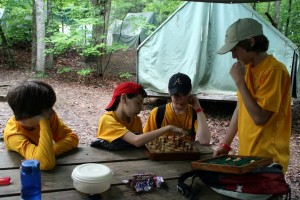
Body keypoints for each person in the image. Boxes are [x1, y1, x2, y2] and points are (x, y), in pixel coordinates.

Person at [214, 18, 291, 174]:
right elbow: (241, 107)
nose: (233, 56)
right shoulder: (247, 67)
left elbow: (260, 118)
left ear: (250, 42)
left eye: (235, 49)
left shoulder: (275, 71)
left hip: (268, 160)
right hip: (247, 155)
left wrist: (240, 82)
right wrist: (225, 145)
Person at [4, 81, 79, 170]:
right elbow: (45, 163)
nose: (53, 112)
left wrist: (49, 152)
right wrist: (44, 123)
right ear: (28, 114)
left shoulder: (48, 116)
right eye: (47, 110)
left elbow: (72, 138)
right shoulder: (13, 135)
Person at [91, 82, 187, 151]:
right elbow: (136, 141)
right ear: (124, 98)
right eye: (138, 103)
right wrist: (168, 128)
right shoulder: (107, 119)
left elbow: (141, 144)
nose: (141, 109)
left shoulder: (136, 120)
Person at [143, 72, 211, 145]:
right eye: (176, 95)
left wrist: (198, 109)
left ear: (190, 91)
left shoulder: (195, 113)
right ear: (169, 92)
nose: (181, 99)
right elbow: (144, 140)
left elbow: (204, 141)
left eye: (184, 94)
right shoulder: (157, 113)